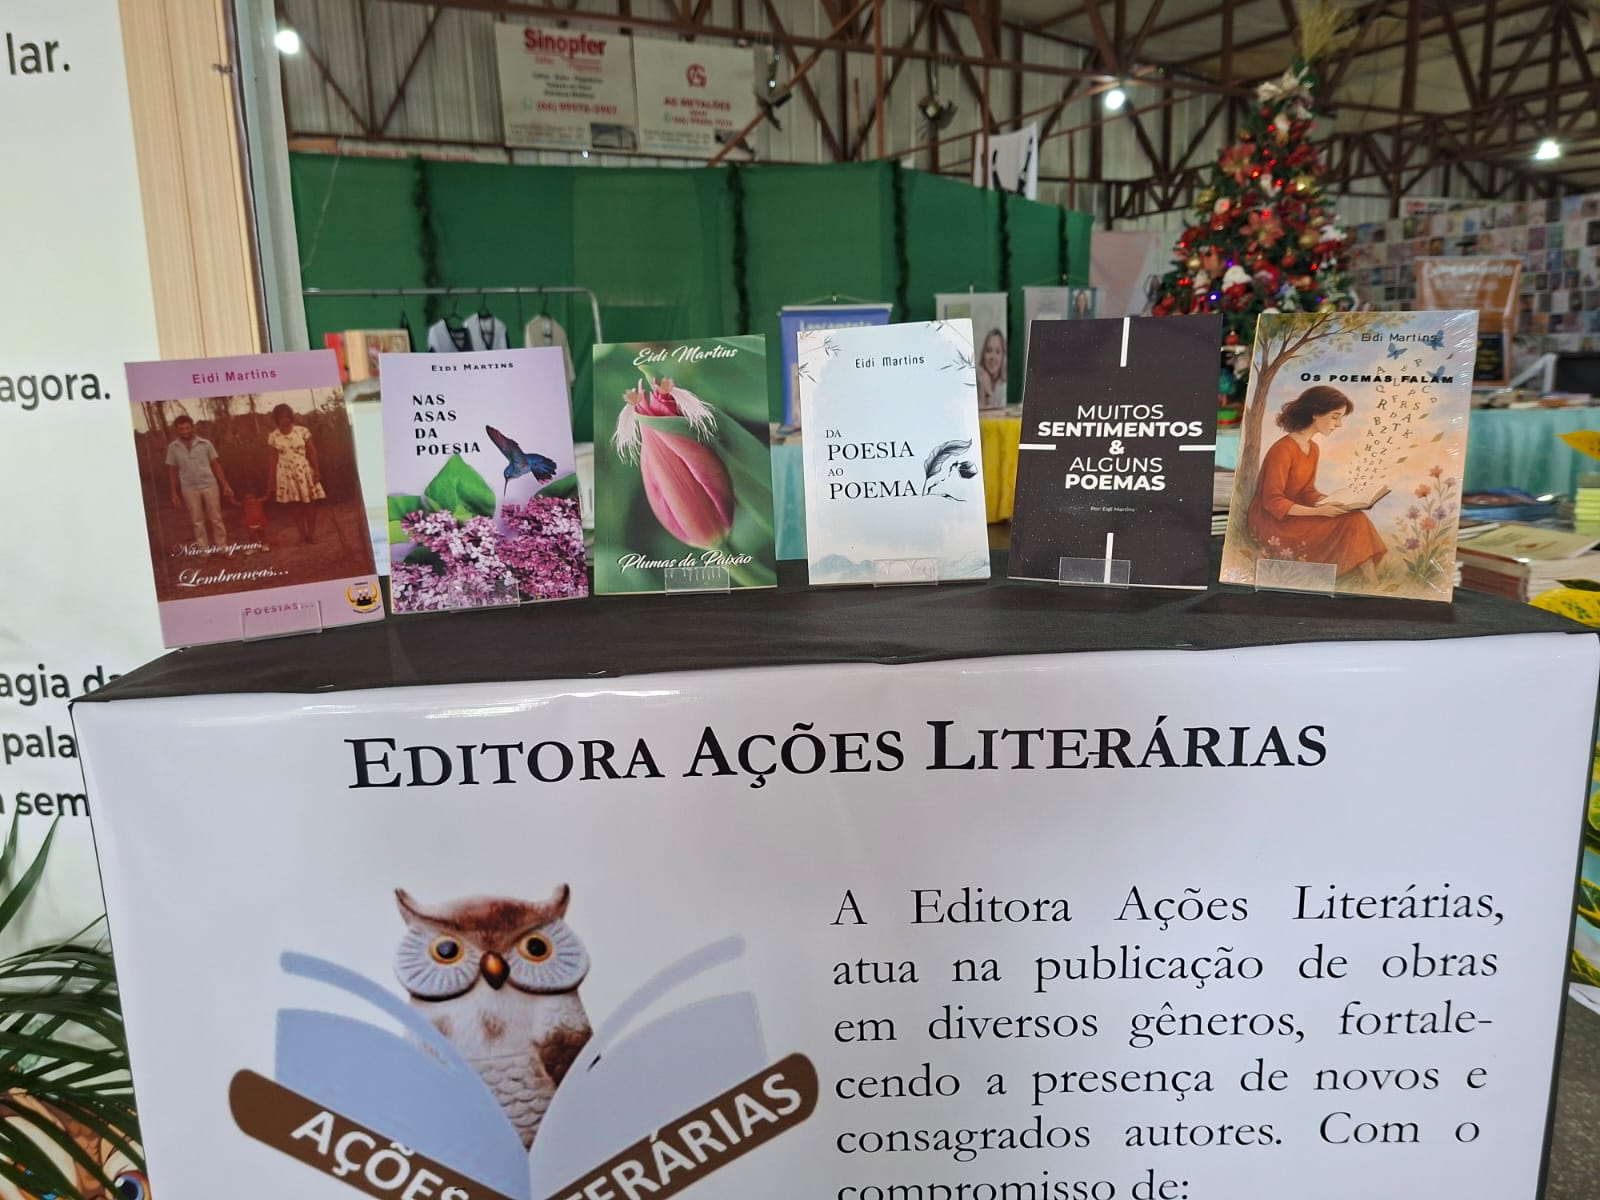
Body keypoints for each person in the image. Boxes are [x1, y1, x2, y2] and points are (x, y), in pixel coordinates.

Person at [1246, 384, 1387, 583]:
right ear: (1315, 413)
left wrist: (1330, 501)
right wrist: (1319, 511)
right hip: (1273, 521)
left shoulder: (1312, 448)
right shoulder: (1282, 450)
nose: (1339, 424)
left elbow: (1307, 491)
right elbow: (1272, 501)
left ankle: (1370, 581)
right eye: (1335, 417)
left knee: (1355, 516)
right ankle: (1372, 583)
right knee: (1354, 521)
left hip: (1297, 513)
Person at [165, 413, 233, 548]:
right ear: (177, 430)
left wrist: (225, 485)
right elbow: (173, 471)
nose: (185, 431)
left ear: (192, 427)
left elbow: (216, 465)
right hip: (189, 488)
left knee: (216, 519)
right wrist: (174, 493)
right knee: (197, 521)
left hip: (209, 485)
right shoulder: (173, 448)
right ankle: (203, 550)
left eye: (187, 428)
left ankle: (223, 547)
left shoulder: (205, 444)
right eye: (181, 429)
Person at [267, 403, 326, 543]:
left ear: (291, 417)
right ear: (276, 419)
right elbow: (273, 459)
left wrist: (317, 470)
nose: (285, 420)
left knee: (310, 502)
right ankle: (302, 535)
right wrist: (271, 479)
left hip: (303, 471)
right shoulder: (273, 436)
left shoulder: (302, 431)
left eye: (287, 416)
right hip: (285, 473)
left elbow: (312, 451)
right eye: (281, 417)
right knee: (294, 505)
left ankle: (312, 534)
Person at [976, 328, 1006, 409]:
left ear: (1003, 356)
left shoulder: (1004, 388)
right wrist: (982, 387)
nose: (993, 357)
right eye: (989, 350)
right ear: (983, 354)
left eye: (997, 352)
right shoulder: (975, 381)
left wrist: (989, 392)